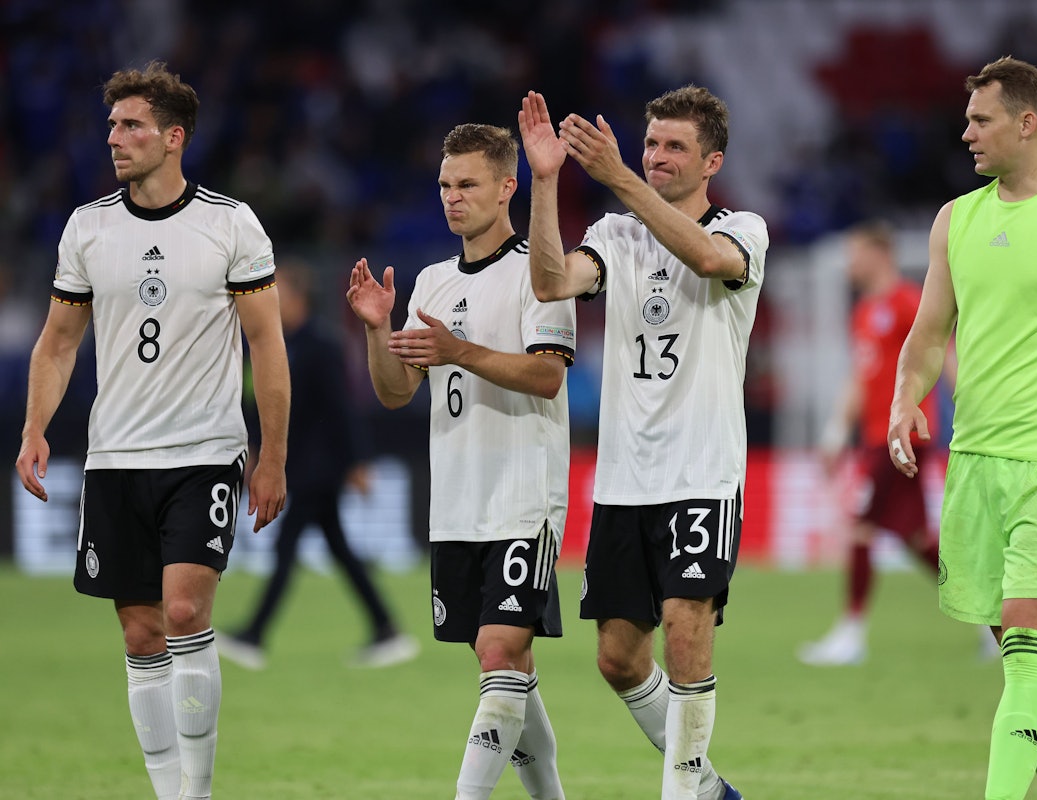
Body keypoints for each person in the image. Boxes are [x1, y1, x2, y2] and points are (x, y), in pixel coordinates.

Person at [15, 61, 290, 800]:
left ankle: (196, 793)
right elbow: (58, 342)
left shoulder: (230, 224)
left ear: (173, 138)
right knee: (140, 635)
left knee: (183, 612)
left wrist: (271, 457)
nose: (115, 137)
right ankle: (171, 794)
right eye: (112, 124)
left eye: (131, 125)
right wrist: (35, 426)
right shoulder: (88, 226)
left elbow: (266, 343)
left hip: (204, 452)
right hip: (115, 457)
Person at [519, 86, 766, 800]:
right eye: (650, 143)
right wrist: (543, 181)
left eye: (673, 147)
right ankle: (709, 788)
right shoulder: (613, 235)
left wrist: (620, 175)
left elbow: (709, 261)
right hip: (624, 479)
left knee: (687, 639)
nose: (656, 156)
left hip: (701, 472)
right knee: (619, 659)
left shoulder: (742, 227)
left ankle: (678, 794)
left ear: (711, 160)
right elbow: (550, 280)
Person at [346, 123, 575, 800]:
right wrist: (377, 330)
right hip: (457, 502)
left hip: (522, 494)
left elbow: (546, 378)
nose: (452, 197)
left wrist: (460, 352)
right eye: (445, 185)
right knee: (508, 666)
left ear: (508, 187)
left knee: (499, 651)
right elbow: (395, 394)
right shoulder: (432, 283)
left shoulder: (541, 270)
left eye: (467, 184)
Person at [888, 56, 1037, 800]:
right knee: (1025, 654)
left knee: (1029, 638)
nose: (965, 133)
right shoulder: (955, 220)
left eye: (980, 119)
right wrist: (904, 398)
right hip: (975, 462)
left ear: (1026, 124)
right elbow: (930, 333)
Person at [217, 260, 418, 670]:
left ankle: (254, 634)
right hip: (301, 464)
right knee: (338, 550)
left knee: (288, 547)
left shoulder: (321, 345)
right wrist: (255, 447)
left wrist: (357, 462)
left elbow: (343, 408)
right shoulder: (277, 344)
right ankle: (386, 628)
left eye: (280, 294)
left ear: (298, 298)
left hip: (319, 466)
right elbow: (260, 406)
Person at [797, 220, 943, 666]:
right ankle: (989, 613)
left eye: (856, 252)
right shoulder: (863, 311)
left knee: (860, 526)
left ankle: (851, 633)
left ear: (880, 254)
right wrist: (836, 433)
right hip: (875, 438)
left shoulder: (907, 302)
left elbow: (939, 355)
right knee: (915, 538)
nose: (849, 263)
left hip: (902, 434)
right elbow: (862, 378)